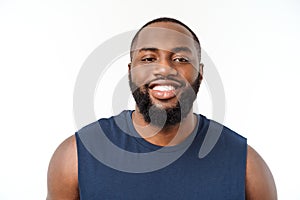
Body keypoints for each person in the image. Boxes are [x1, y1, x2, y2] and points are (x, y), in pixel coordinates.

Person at [47, 17, 277, 199]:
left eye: (180, 59)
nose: (165, 69)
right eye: (148, 58)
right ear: (130, 71)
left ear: (200, 73)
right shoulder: (75, 157)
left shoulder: (246, 165)